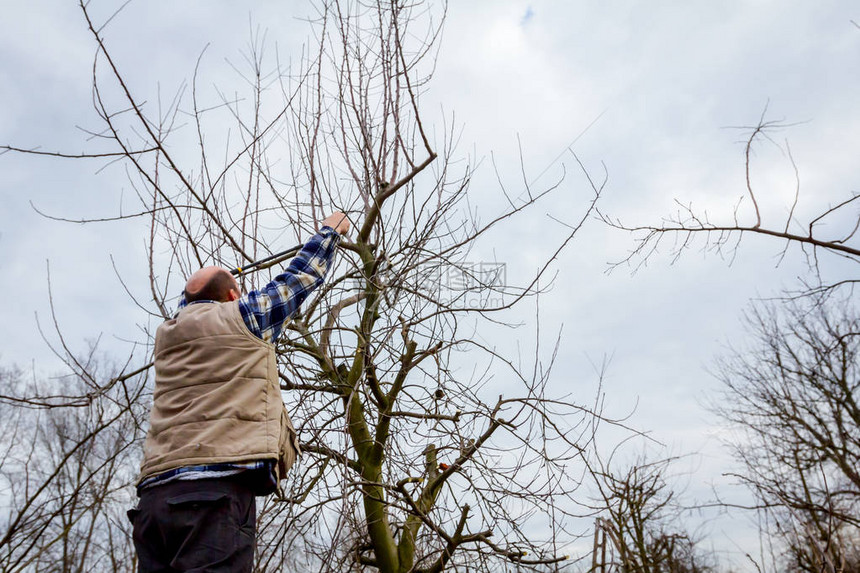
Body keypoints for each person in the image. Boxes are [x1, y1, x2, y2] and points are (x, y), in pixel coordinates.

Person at [129, 212, 350, 572]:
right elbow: (300, 278)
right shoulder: (244, 315)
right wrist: (330, 231)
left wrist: (216, 287)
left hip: (154, 503)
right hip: (213, 496)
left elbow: (197, 305)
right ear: (233, 296)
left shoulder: (167, 335)